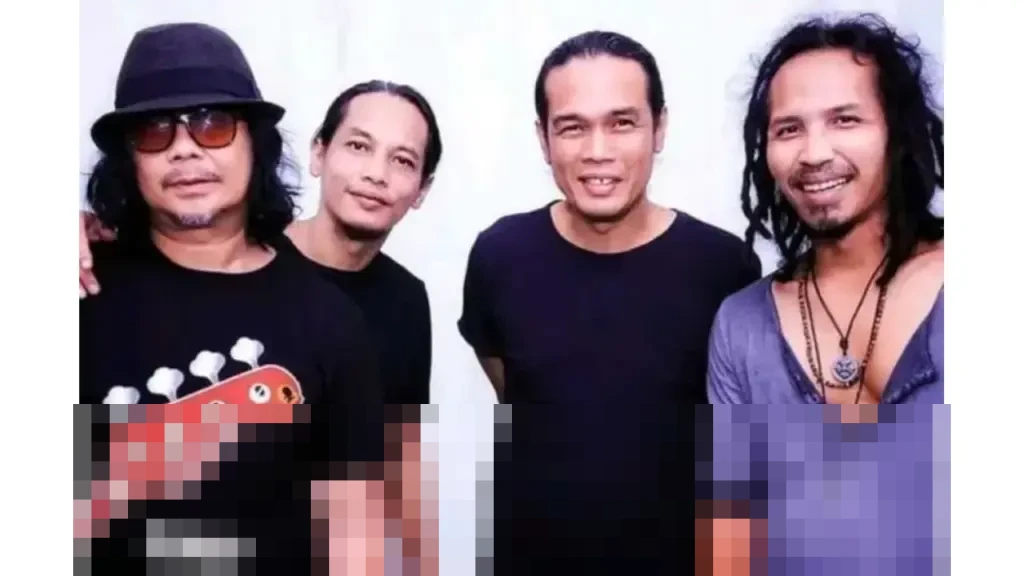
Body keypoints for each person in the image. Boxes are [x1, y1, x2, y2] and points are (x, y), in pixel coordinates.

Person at [79, 79, 442, 572]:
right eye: (359, 146)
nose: (375, 174)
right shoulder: (221, 254)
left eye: (402, 160)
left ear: (422, 189)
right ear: (318, 153)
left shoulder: (404, 300)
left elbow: (396, 480)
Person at [457, 30, 762, 572]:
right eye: (572, 127)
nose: (598, 151)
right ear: (543, 139)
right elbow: (515, 392)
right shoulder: (499, 255)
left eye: (622, 123)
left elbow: (739, 449)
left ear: (659, 128)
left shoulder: (724, 267)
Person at [698, 14, 946, 575]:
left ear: (896, 131)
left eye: (845, 119)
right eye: (789, 129)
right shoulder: (741, 325)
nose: (814, 153)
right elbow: (730, 544)